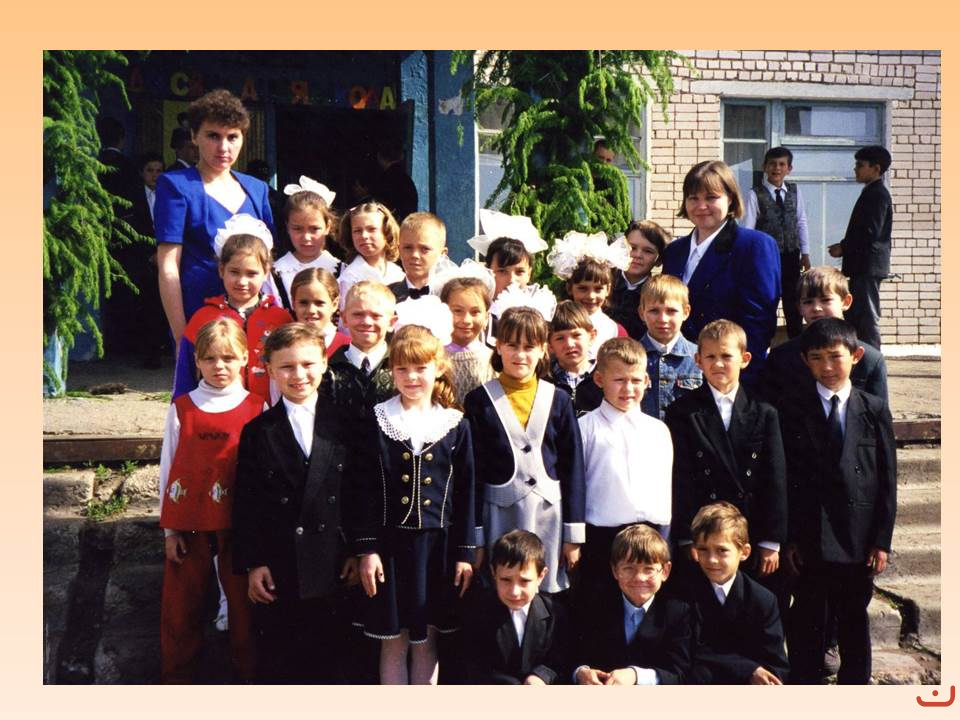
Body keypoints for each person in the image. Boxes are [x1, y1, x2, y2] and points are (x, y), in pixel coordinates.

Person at [352, 323, 477, 685]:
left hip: (437, 549)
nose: (411, 377)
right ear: (391, 371)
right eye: (402, 368)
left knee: (427, 640)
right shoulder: (378, 419)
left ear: (438, 368)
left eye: (420, 368)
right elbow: (363, 490)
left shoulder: (455, 424)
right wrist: (367, 549)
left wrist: (465, 553)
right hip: (390, 548)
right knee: (393, 641)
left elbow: (466, 493)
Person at [232, 323, 355, 683]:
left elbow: (360, 493)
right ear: (269, 370)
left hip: (335, 561)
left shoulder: (348, 423)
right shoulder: (258, 431)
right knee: (283, 663)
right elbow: (247, 502)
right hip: (281, 563)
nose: (298, 375)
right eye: (286, 367)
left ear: (324, 364)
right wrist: (254, 562)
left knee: (336, 661)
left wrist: (358, 550)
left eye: (307, 364)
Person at [781, 318, 896, 684]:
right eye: (817, 358)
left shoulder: (873, 409)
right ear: (805, 361)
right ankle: (805, 684)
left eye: (835, 356)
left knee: (853, 619)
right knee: (808, 617)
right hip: (810, 536)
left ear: (856, 356)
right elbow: (786, 479)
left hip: (857, 538)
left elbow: (887, 480)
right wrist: (790, 539)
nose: (827, 367)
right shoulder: (793, 409)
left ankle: (855, 688)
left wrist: (881, 541)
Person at [158, 319, 261, 683]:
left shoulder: (257, 407)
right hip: (190, 524)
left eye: (229, 358)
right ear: (197, 361)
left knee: (244, 609)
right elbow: (168, 466)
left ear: (245, 359)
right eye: (210, 358)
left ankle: (247, 678)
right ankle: (177, 679)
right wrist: (170, 530)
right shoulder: (182, 408)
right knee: (181, 607)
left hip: (239, 526)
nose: (220, 366)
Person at [464, 302, 586, 596]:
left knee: (545, 592)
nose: (520, 355)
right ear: (498, 346)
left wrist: (573, 535)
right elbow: (473, 473)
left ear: (543, 350)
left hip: (548, 516)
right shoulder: (479, 401)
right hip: (499, 516)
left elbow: (573, 468)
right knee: (504, 589)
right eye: (512, 345)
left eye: (529, 347)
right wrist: (476, 538)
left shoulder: (559, 399)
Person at [664, 319, 787, 607]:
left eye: (726, 356)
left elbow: (775, 479)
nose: (718, 364)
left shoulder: (764, 411)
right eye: (710, 356)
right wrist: (686, 537)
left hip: (750, 530)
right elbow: (680, 478)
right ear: (698, 360)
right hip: (703, 532)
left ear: (745, 359)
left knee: (749, 606)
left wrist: (771, 540)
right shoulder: (682, 412)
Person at [155, 89, 275, 347]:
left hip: (254, 322)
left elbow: (267, 263)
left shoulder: (257, 190)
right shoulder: (176, 186)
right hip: (201, 318)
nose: (223, 147)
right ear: (194, 136)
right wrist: (181, 335)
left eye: (232, 137)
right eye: (213, 136)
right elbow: (168, 265)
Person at [661, 160, 781, 389]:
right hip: (678, 376)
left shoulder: (753, 246)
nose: (701, 206)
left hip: (727, 377)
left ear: (731, 199)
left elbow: (759, 323)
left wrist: (741, 382)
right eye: (693, 198)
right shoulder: (675, 251)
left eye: (711, 198)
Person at [576, 338, 671, 597]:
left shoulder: (658, 431)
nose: (628, 389)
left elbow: (665, 493)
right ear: (599, 379)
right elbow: (576, 488)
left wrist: (665, 540)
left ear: (647, 381)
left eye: (636, 380)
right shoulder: (585, 429)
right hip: (601, 539)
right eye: (619, 380)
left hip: (651, 537)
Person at [172, 219, 291, 402]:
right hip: (216, 409)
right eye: (234, 272)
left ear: (266, 272)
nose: (242, 282)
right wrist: (181, 409)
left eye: (251, 273)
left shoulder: (280, 319)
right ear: (221, 270)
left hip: (270, 411)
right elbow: (185, 374)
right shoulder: (204, 318)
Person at [573, 524, 694, 685]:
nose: (639, 578)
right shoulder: (594, 606)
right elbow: (574, 654)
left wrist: (636, 676)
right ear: (615, 570)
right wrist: (580, 672)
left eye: (649, 569)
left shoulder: (677, 612)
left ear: (665, 571)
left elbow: (679, 672)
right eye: (628, 568)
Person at [686, 502, 789, 685]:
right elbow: (690, 650)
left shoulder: (762, 600)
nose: (712, 559)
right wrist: (748, 669)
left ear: (744, 552)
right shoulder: (684, 593)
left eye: (722, 550)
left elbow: (776, 664)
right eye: (703, 550)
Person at [760, 266, 889, 410]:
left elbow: (879, 415)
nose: (816, 308)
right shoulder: (781, 357)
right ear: (799, 307)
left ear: (846, 301)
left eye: (826, 300)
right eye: (808, 302)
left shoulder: (870, 360)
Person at [464, 529, 572, 684]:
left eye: (525, 581)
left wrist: (540, 676)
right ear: (494, 573)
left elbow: (559, 657)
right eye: (506, 580)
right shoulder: (479, 612)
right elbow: (475, 664)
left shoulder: (555, 613)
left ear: (541, 576)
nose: (514, 592)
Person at [827, 145, 894, 350]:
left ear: (876, 168)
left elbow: (870, 232)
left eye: (860, 165)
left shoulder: (877, 194)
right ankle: (859, 358)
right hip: (863, 267)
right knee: (856, 316)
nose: (855, 169)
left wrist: (843, 247)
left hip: (867, 267)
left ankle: (873, 360)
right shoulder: (871, 192)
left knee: (867, 317)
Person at [742, 146, 811, 339]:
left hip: (791, 255)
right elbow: (748, 229)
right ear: (765, 167)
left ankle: (796, 344)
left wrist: (805, 253)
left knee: (793, 303)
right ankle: (764, 344)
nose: (777, 168)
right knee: (767, 300)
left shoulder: (795, 191)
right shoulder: (755, 194)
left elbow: (801, 221)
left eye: (782, 164)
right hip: (766, 259)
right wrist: (748, 260)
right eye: (772, 164)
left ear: (789, 169)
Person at [547, 230, 630, 359]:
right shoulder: (553, 324)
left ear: (608, 290)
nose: (591, 296)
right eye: (583, 288)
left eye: (598, 289)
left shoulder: (616, 331)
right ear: (569, 288)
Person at [262, 176, 341, 311]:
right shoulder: (275, 273)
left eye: (314, 229)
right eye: (297, 229)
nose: (306, 237)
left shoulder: (342, 271)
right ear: (287, 227)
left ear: (328, 226)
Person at [638, 274, 702, 420]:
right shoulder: (630, 357)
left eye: (671, 311)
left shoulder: (700, 358)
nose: (663, 319)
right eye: (654, 311)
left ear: (686, 312)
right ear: (642, 313)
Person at [438, 272, 496, 405]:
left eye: (475, 312)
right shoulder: (433, 358)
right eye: (457, 311)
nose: (466, 320)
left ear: (486, 317)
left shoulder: (494, 361)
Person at [608, 220, 670, 340]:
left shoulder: (657, 293)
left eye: (648, 251)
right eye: (632, 248)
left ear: (659, 260)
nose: (637, 255)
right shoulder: (603, 283)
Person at [336, 201, 405, 298]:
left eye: (372, 229)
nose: (364, 236)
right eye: (357, 231)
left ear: (387, 231)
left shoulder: (397, 272)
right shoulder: (350, 278)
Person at [547, 301, 603, 416]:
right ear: (550, 345)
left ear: (592, 336)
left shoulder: (605, 378)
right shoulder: (544, 380)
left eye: (576, 335)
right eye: (560, 338)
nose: (569, 344)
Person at [289, 268, 350, 358]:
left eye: (319, 303)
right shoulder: (282, 347)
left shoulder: (349, 348)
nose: (311, 310)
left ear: (334, 304)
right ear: (293, 304)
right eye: (303, 303)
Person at [388, 212, 448, 303]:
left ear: (442, 254)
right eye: (408, 247)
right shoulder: (385, 296)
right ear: (399, 250)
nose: (415, 255)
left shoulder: (451, 296)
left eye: (425, 249)